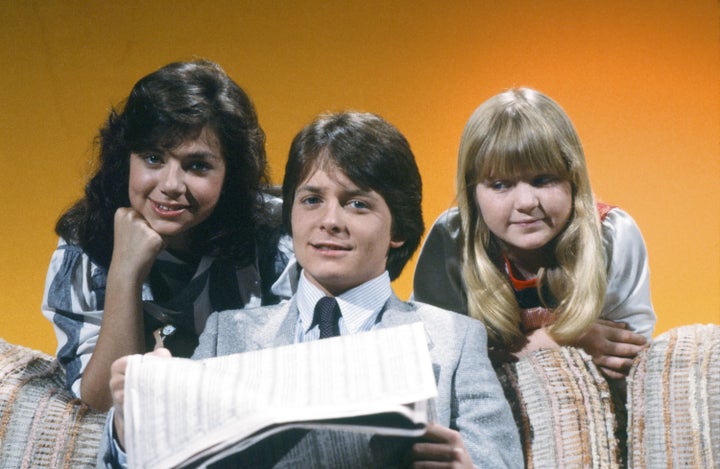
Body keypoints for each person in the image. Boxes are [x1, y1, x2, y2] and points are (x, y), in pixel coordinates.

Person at [100, 111, 523, 468]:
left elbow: (500, 459)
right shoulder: (227, 334)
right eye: (311, 200)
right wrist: (130, 421)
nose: (330, 221)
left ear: (399, 228)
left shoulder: (455, 340)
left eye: (358, 203)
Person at [41, 60, 294, 411]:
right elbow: (101, 402)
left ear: (230, 173)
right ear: (124, 159)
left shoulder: (274, 236)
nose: (171, 185)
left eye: (197, 166)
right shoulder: (84, 245)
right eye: (153, 158)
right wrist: (124, 274)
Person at [413, 88, 656, 380]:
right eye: (501, 185)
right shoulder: (452, 239)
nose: (527, 202)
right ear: (472, 190)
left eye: (543, 180)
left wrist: (499, 354)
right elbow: (433, 365)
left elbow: (626, 359)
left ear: (574, 178)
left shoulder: (612, 234)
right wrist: (560, 339)